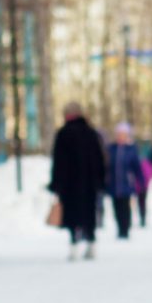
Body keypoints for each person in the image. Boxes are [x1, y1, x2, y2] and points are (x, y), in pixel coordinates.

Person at [48, 102, 106, 260]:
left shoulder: (63, 133)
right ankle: (91, 243)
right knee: (89, 212)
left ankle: (74, 244)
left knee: (71, 213)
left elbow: (58, 162)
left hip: (69, 184)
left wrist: (56, 184)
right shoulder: (91, 133)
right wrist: (101, 180)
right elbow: (100, 159)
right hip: (90, 183)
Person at [107, 122, 144, 240]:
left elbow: (136, 167)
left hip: (126, 184)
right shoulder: (111, 149)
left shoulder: (131, 149)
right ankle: (119, 228)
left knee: (125, 207)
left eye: (123, 134)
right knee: (116, 207)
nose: (120, 136)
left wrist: (140, 181)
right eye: (119, 134)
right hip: (113, 184)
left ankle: (125, 229)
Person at [134, 154, 152, 228]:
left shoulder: (145, 164)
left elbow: (149, 175)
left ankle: (142, 218)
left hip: (142, 187)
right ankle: (141, 218)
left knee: (141, 202)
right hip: (137, 186)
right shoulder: (139, 163)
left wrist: (144, 184)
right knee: (141, 203)